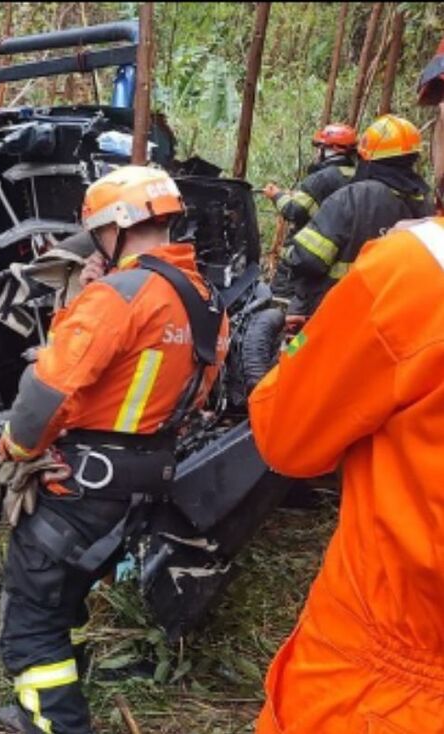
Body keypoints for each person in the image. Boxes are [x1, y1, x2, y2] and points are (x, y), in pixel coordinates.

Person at [250, 39, 444, 734]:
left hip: (389, 684)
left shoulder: (415, 266)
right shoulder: (411, 198)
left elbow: (287, 435)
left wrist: (286, 325)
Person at [0, 166, 228, 734]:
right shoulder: (203, 299)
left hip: (83, 485)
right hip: (141, 481)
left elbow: (47, 390)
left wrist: (17, 450)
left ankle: (55, 719)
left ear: (117, 226)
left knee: (30, 618)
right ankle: (45, 706)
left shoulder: (117, 297)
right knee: (65, 599)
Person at [279, 114, 433, 320]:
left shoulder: (351, 198)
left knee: (296, 347)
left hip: (332, 315)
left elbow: (307, 259)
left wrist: (288, 253)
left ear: (366, 158)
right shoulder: (426, 205)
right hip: (394, 320)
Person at [263, 122, 358, 233]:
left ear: (331, 150)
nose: (317, 152)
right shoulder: (359, 175)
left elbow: (294, 211)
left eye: (320, 147)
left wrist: (276, 195)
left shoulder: (321, 178)